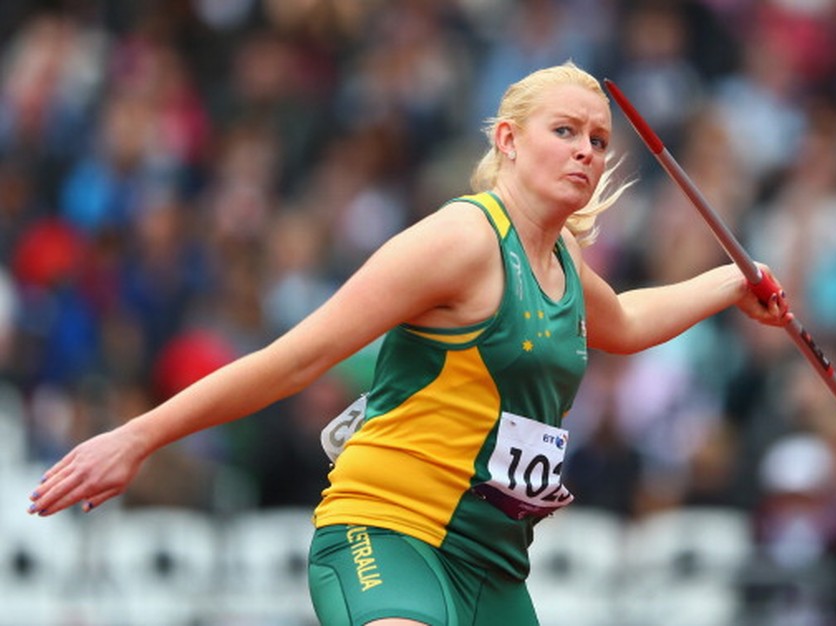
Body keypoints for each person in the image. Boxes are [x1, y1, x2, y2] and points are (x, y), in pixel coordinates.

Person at [27, 62, 791, 626]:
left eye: (597, 139)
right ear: (509, 141)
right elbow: (295, 358)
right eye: (565, 132)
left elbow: (623, 322)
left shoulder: (561, 264)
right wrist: (138, 436)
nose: (587, 152)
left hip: (492, 567)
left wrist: (735, 281)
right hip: (388, 532)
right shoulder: (460, 240)